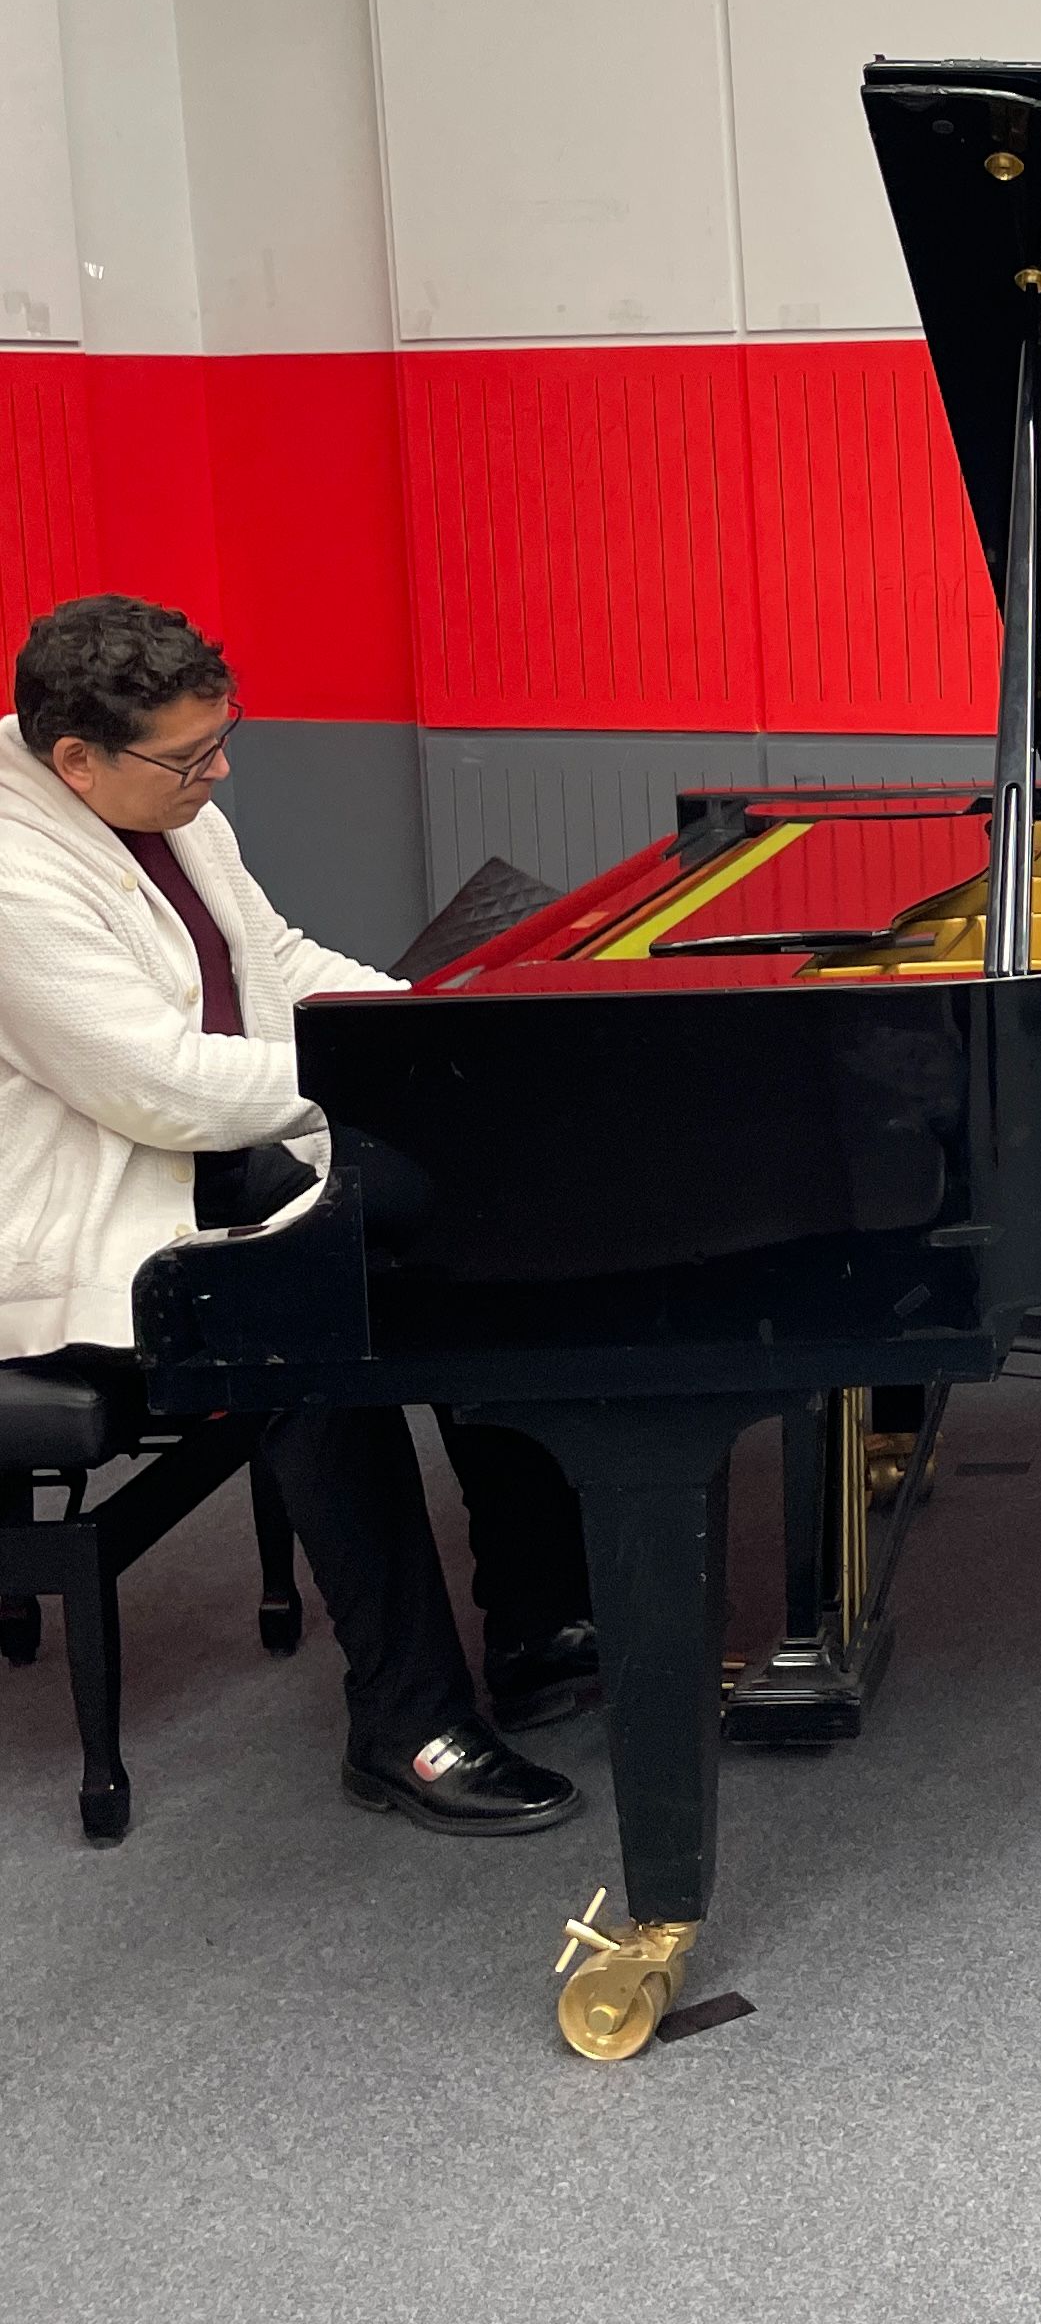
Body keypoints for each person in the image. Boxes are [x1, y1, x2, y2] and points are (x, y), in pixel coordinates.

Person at [0, 594, 596, 1831]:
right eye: (190, 758)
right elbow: (158, 1084)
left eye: (223, 739)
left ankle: (538, 1623)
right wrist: (375, 1090)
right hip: (87, 1220)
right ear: (76, 760)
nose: (218, 774)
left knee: (464, 1237)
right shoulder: (14, 880)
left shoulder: (165, 804)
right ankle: (405, 1721)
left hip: (216, 1166)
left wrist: (424, 1038)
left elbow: (275, 961)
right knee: (312, 1324)